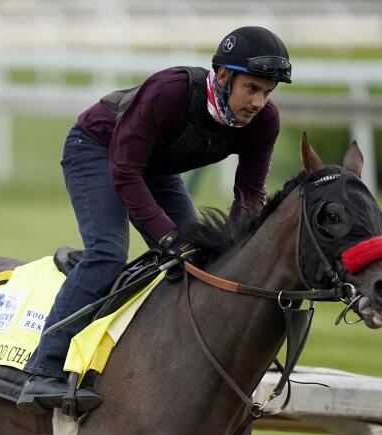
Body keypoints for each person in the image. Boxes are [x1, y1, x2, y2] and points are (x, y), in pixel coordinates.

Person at [16, 26, 293, 414]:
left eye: (268, 92)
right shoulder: (172, 90)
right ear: (225, 76)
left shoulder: (264, 122)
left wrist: (236, 252)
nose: (260, 102)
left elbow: (249, 196)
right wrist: (166, 237)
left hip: (156, 168)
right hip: (97, 149)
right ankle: (43, 370)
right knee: (109, 252)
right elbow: (125, 172)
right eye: (252, 88)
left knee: (200, 261)